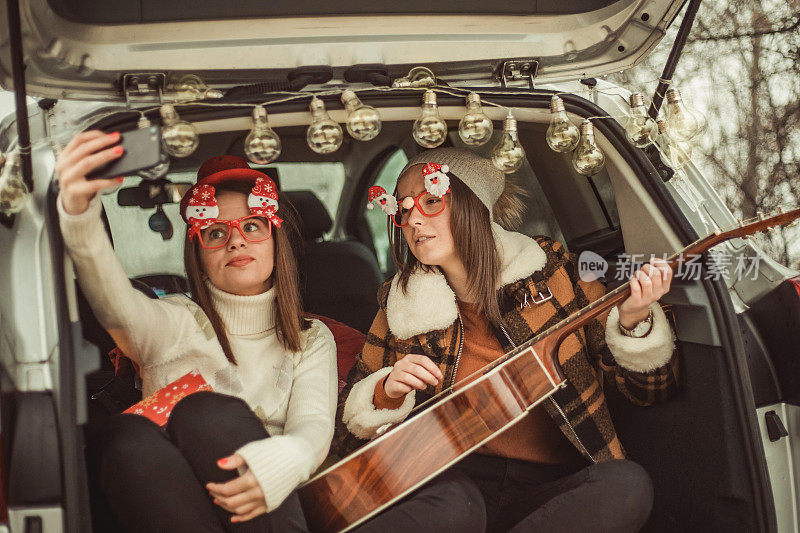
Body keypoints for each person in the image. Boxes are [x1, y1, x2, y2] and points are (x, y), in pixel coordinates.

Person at [334, 148, 679, 532]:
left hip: (547, 492)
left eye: (431, 201)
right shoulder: (399, 307)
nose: (413, 218)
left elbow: (649, 392)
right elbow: (344, 446)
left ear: (473, 206)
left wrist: (634, 325)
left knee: (628, 485)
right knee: (454, 506)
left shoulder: (556, 277)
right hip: (449, 491)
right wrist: (384, 394)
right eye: (403, 209)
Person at [57, 130, 337, 532]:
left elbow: (312, 427)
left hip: (272, 512)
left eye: (253, 226)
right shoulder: (173, 322)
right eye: (216, 233)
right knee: (122, 438)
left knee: (205, 413)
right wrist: (81, 218)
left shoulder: (311, 338)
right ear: (198, 256)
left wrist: (286, 460)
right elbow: (116, 306)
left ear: (276, 241)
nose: (237, 242)